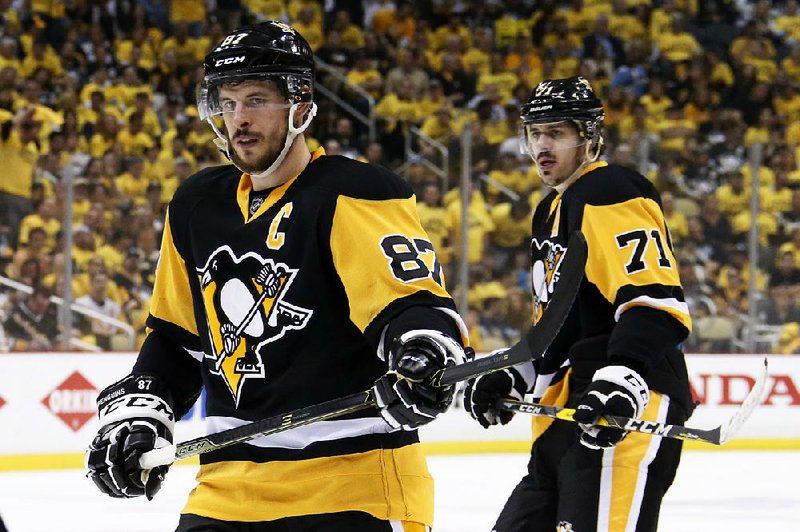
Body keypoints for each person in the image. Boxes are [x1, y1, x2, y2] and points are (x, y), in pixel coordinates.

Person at [85, 21, 469, 532]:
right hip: (226, 491)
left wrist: (424, 351)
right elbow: (177, 341)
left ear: (300, 104)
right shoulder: (197, 204)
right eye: (227, 102)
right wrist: (144, 407)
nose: (238, 119)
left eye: (256, 99)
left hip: (353, 486)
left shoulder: (352, 191)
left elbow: (410, 307)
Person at [463, 76, 694, 532]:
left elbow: (653, 299)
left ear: (589, 138)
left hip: (624, 403)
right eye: (535, 133)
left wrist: (624, 373)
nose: (542, 146)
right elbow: (560, 322)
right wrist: (516, 373)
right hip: (569, 409)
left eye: (558, 133)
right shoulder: (550, 209)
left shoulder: (609, 190)